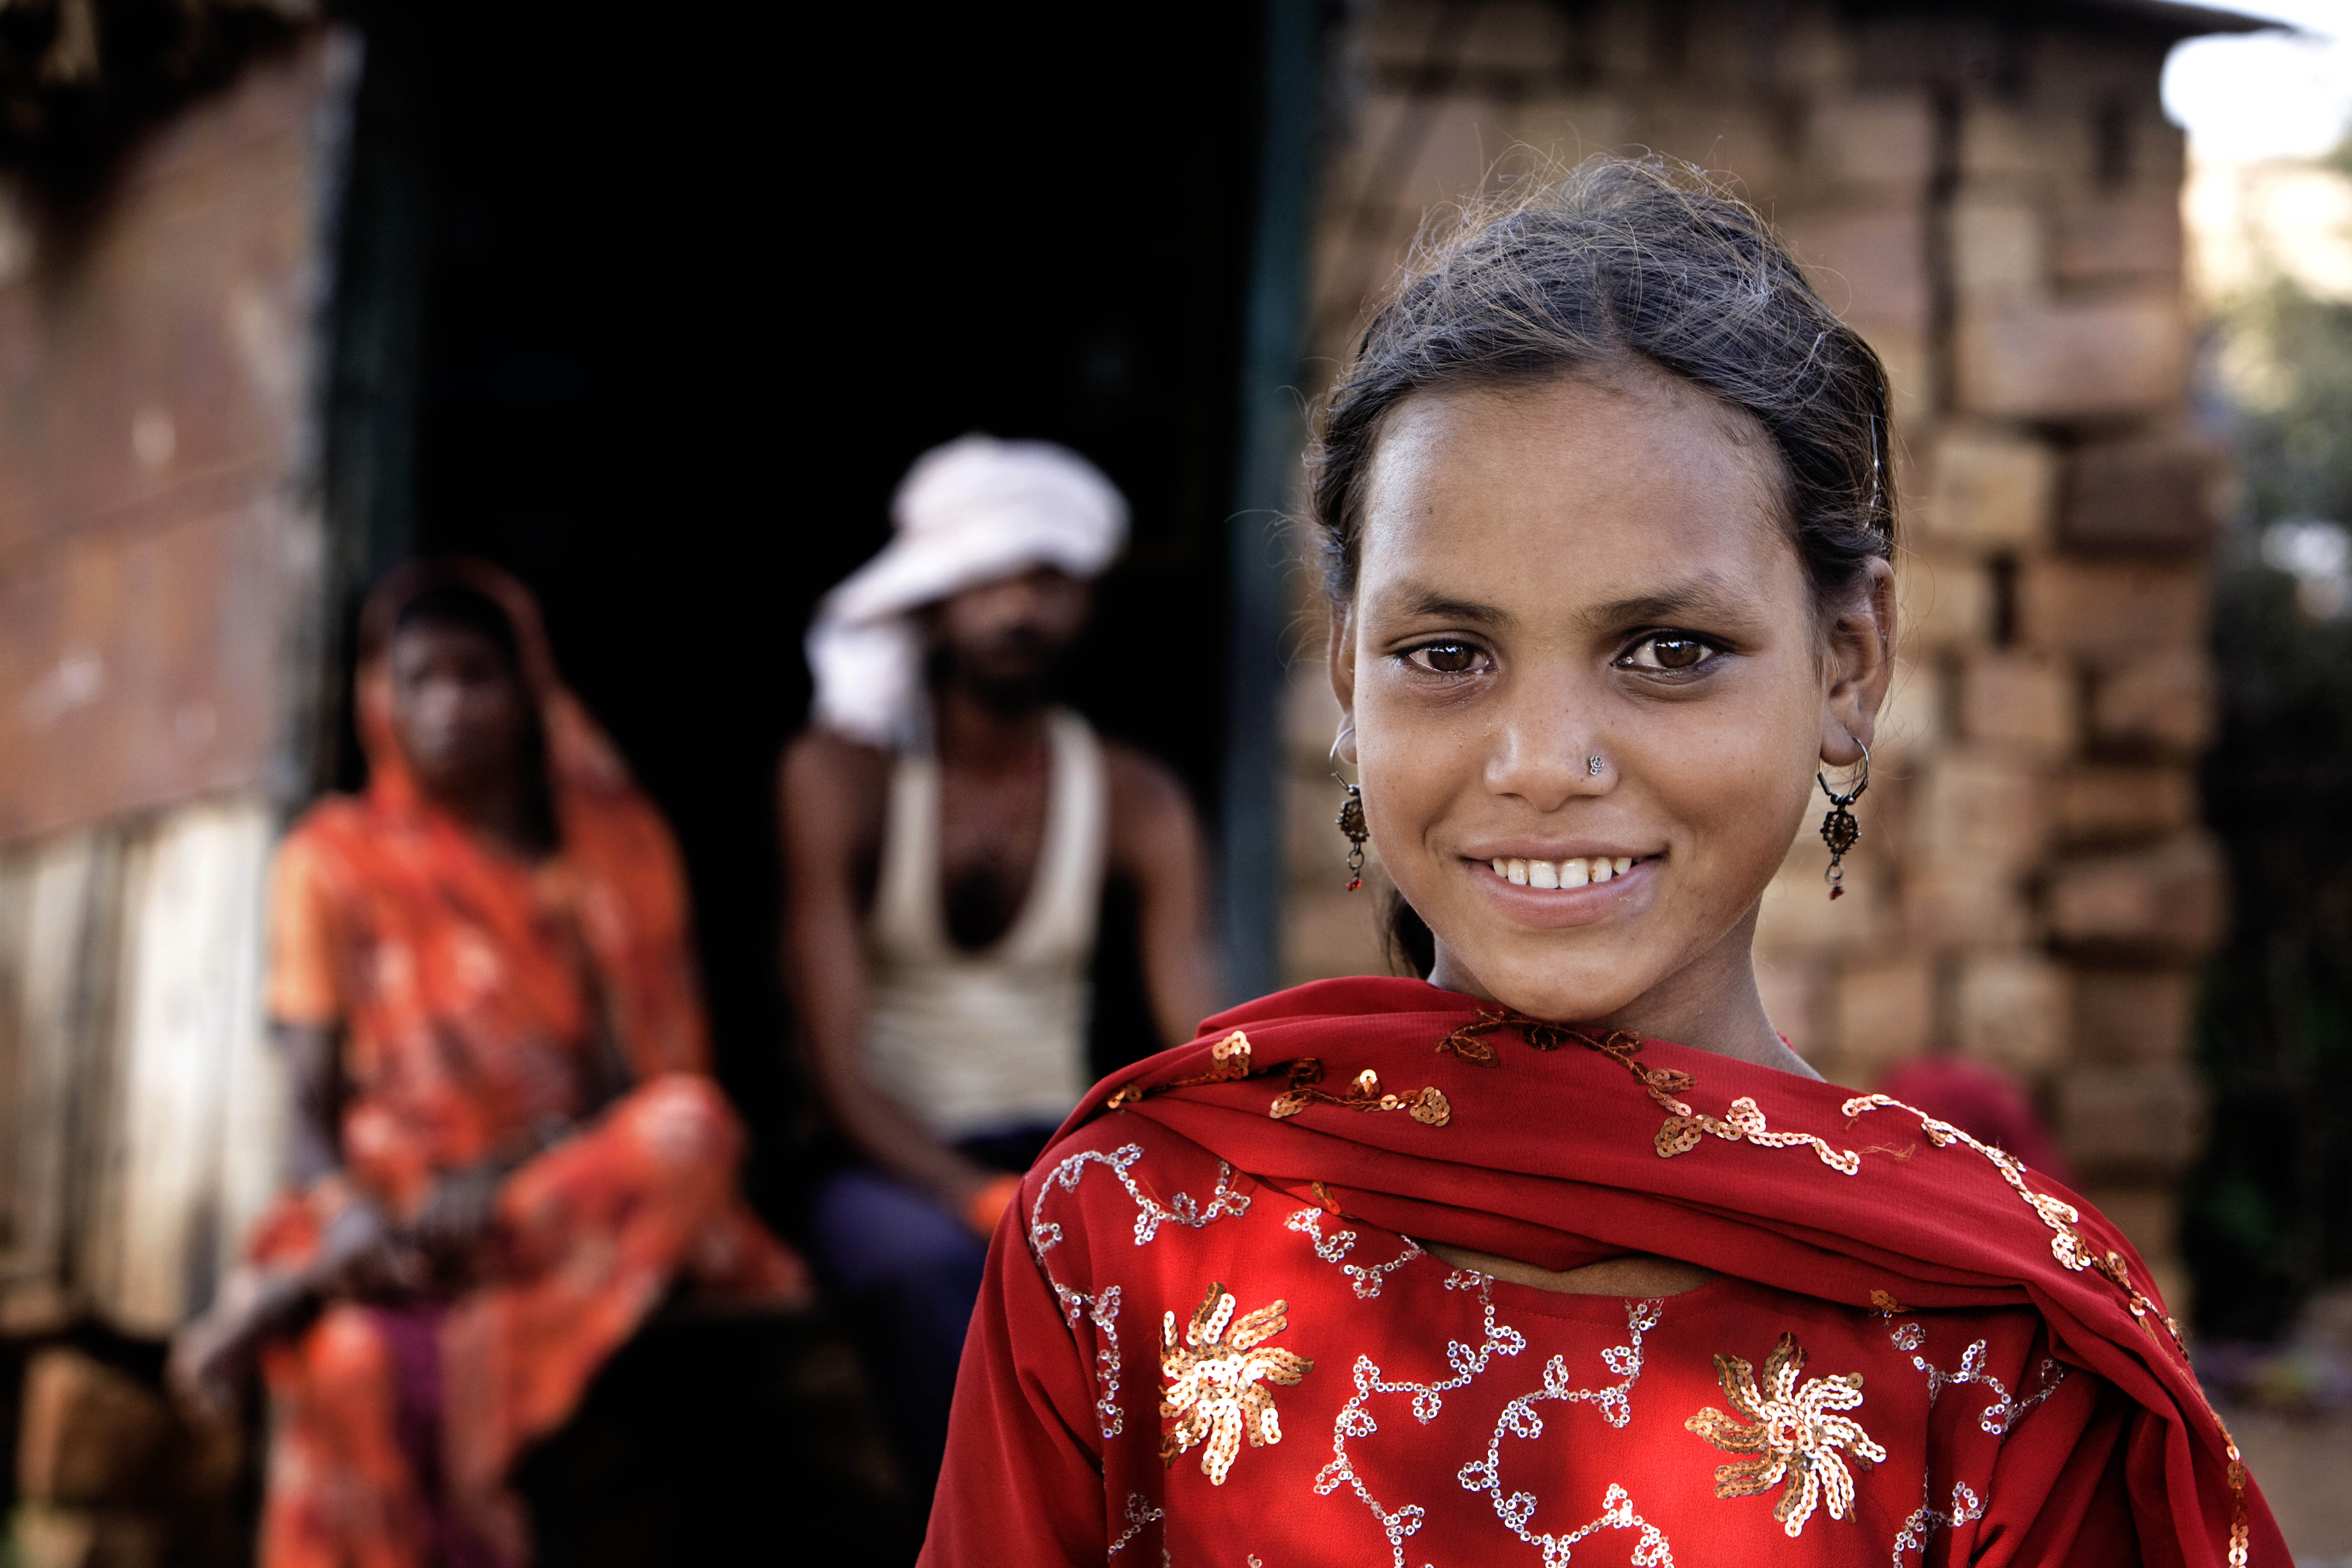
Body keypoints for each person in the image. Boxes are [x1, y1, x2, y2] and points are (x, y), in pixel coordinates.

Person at [923, 158, 2284, 1565]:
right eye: (1446, 655)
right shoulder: (1128, 1235)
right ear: (1345, 670)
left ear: (1849, 662)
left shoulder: (2004, 1348)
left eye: (1668, 653)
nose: (1542, 760)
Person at [171, 560, 809, 1568]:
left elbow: (627, 1095)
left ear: (530, 696)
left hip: (538, 1205)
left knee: (691, 1126)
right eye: (419, 680)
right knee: (351, 1363)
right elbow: (306, 1100)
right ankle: (355, 1266)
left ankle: (311, 1287)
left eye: (477, 678)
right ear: (380, 698)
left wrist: (500, 1184)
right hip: (387, 1202)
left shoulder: (599, 875)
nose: (448, 706)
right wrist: (346, 1209)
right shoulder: (331, 861)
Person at [782, 434, 1218, 1494]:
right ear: (931, 599)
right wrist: (974, 1196)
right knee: (929, 1269)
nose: (1018, 607)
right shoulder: (844, 778)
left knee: (1190, 1278)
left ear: (1087, 605)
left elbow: (1202, 1043)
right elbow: (832, 1068)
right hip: (887, 1159)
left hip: (1051, 1151)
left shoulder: (1133, 798)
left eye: (1050, 580)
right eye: (987, 578)